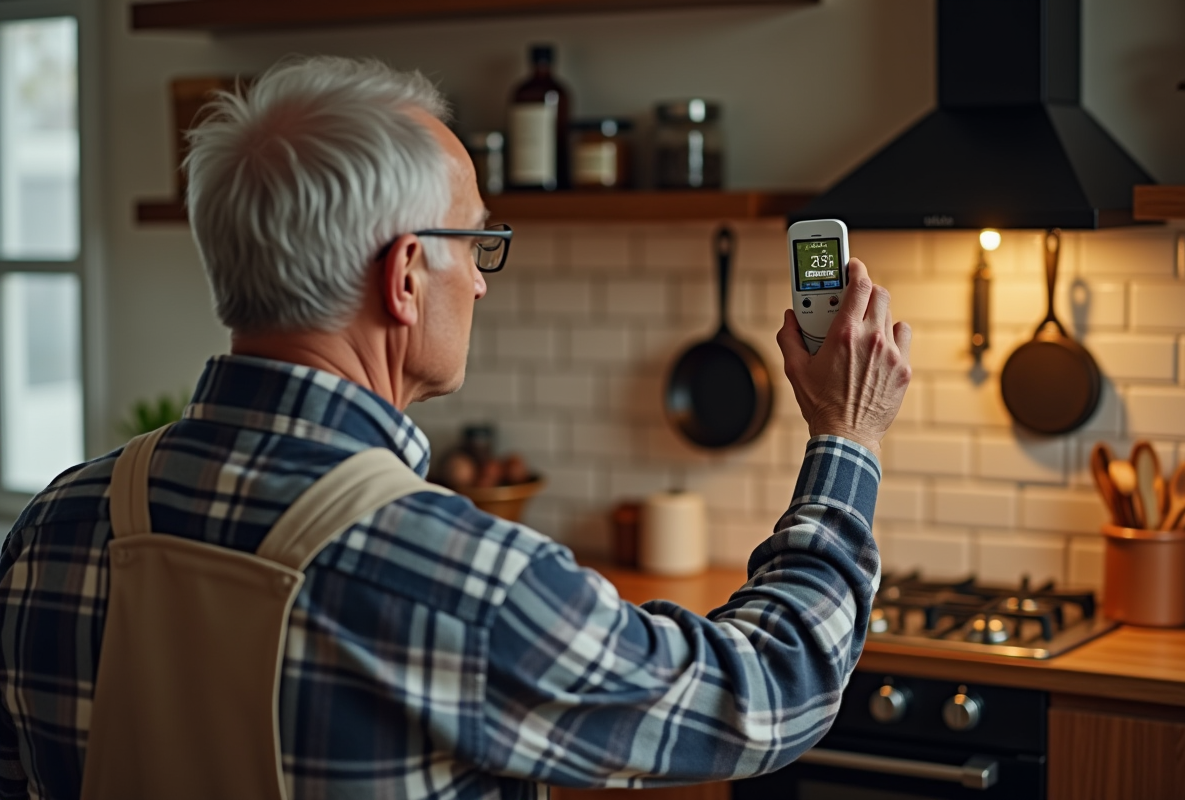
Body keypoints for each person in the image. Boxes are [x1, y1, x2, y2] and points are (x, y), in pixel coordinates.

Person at [0, 56, 911, 800]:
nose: (479, 280)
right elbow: (772, 691)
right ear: (404, 276)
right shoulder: (459, 578)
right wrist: (847, 436)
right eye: (475, 244)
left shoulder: (54, 523)